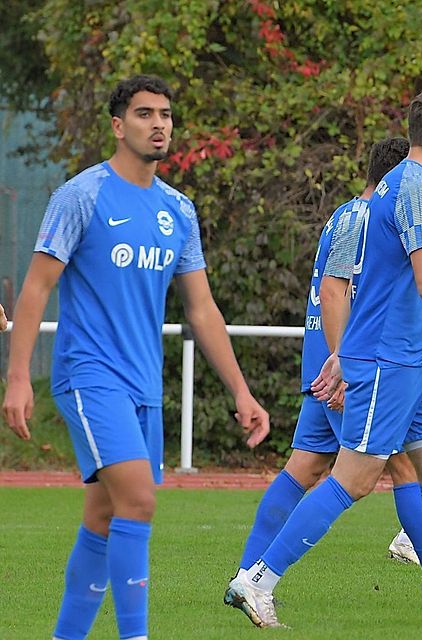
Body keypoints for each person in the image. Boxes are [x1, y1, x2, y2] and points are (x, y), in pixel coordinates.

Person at [226, 90, 422, 629]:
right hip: (388, 361)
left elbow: (386, 285)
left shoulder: (397, 185)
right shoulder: (418, 190)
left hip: (414, 360)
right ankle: (257, 580)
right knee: (354, 479)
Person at [1, 75, 270, 640]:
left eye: (165, 114)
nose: (159, 124)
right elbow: (36, 287)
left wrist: (241, 391)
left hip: (143, 386)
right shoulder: (82, 196)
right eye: (145, 114)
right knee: (139, 501)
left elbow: (202, 309)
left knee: (103, 516)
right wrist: (18, 376)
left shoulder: (178, 209)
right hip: (89, 376)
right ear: (118, 126)